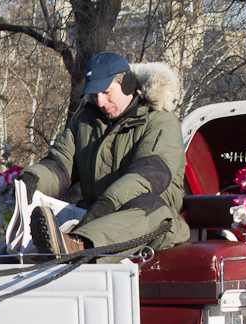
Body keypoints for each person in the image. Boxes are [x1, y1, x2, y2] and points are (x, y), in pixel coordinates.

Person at [18, 52, 190, 256]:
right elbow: (60, 165)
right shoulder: (85, 122)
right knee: (73, 209)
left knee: (150, 204)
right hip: (94, 214)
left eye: (107, 92)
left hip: (151, 221)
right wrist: (31, 179)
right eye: (95, 94)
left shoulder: (160, 121)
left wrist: (107, 203)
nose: (100, 101)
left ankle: (77, 246)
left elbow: (150, 174)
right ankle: (33, 253)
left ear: (127, 84)